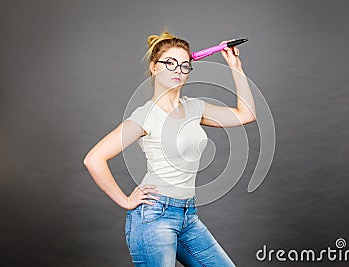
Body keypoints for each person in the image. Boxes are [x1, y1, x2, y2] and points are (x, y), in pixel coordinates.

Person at [83, 29, 256, 267]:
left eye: (185, 65)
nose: (178, 70)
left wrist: (235, 67)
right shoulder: (145, 115)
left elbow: (245, 114)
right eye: (170, 63)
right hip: (154, 217)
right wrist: (125, 201)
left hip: (188, 216)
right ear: (154, 67)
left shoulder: (195, 108)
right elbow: (94, 159)